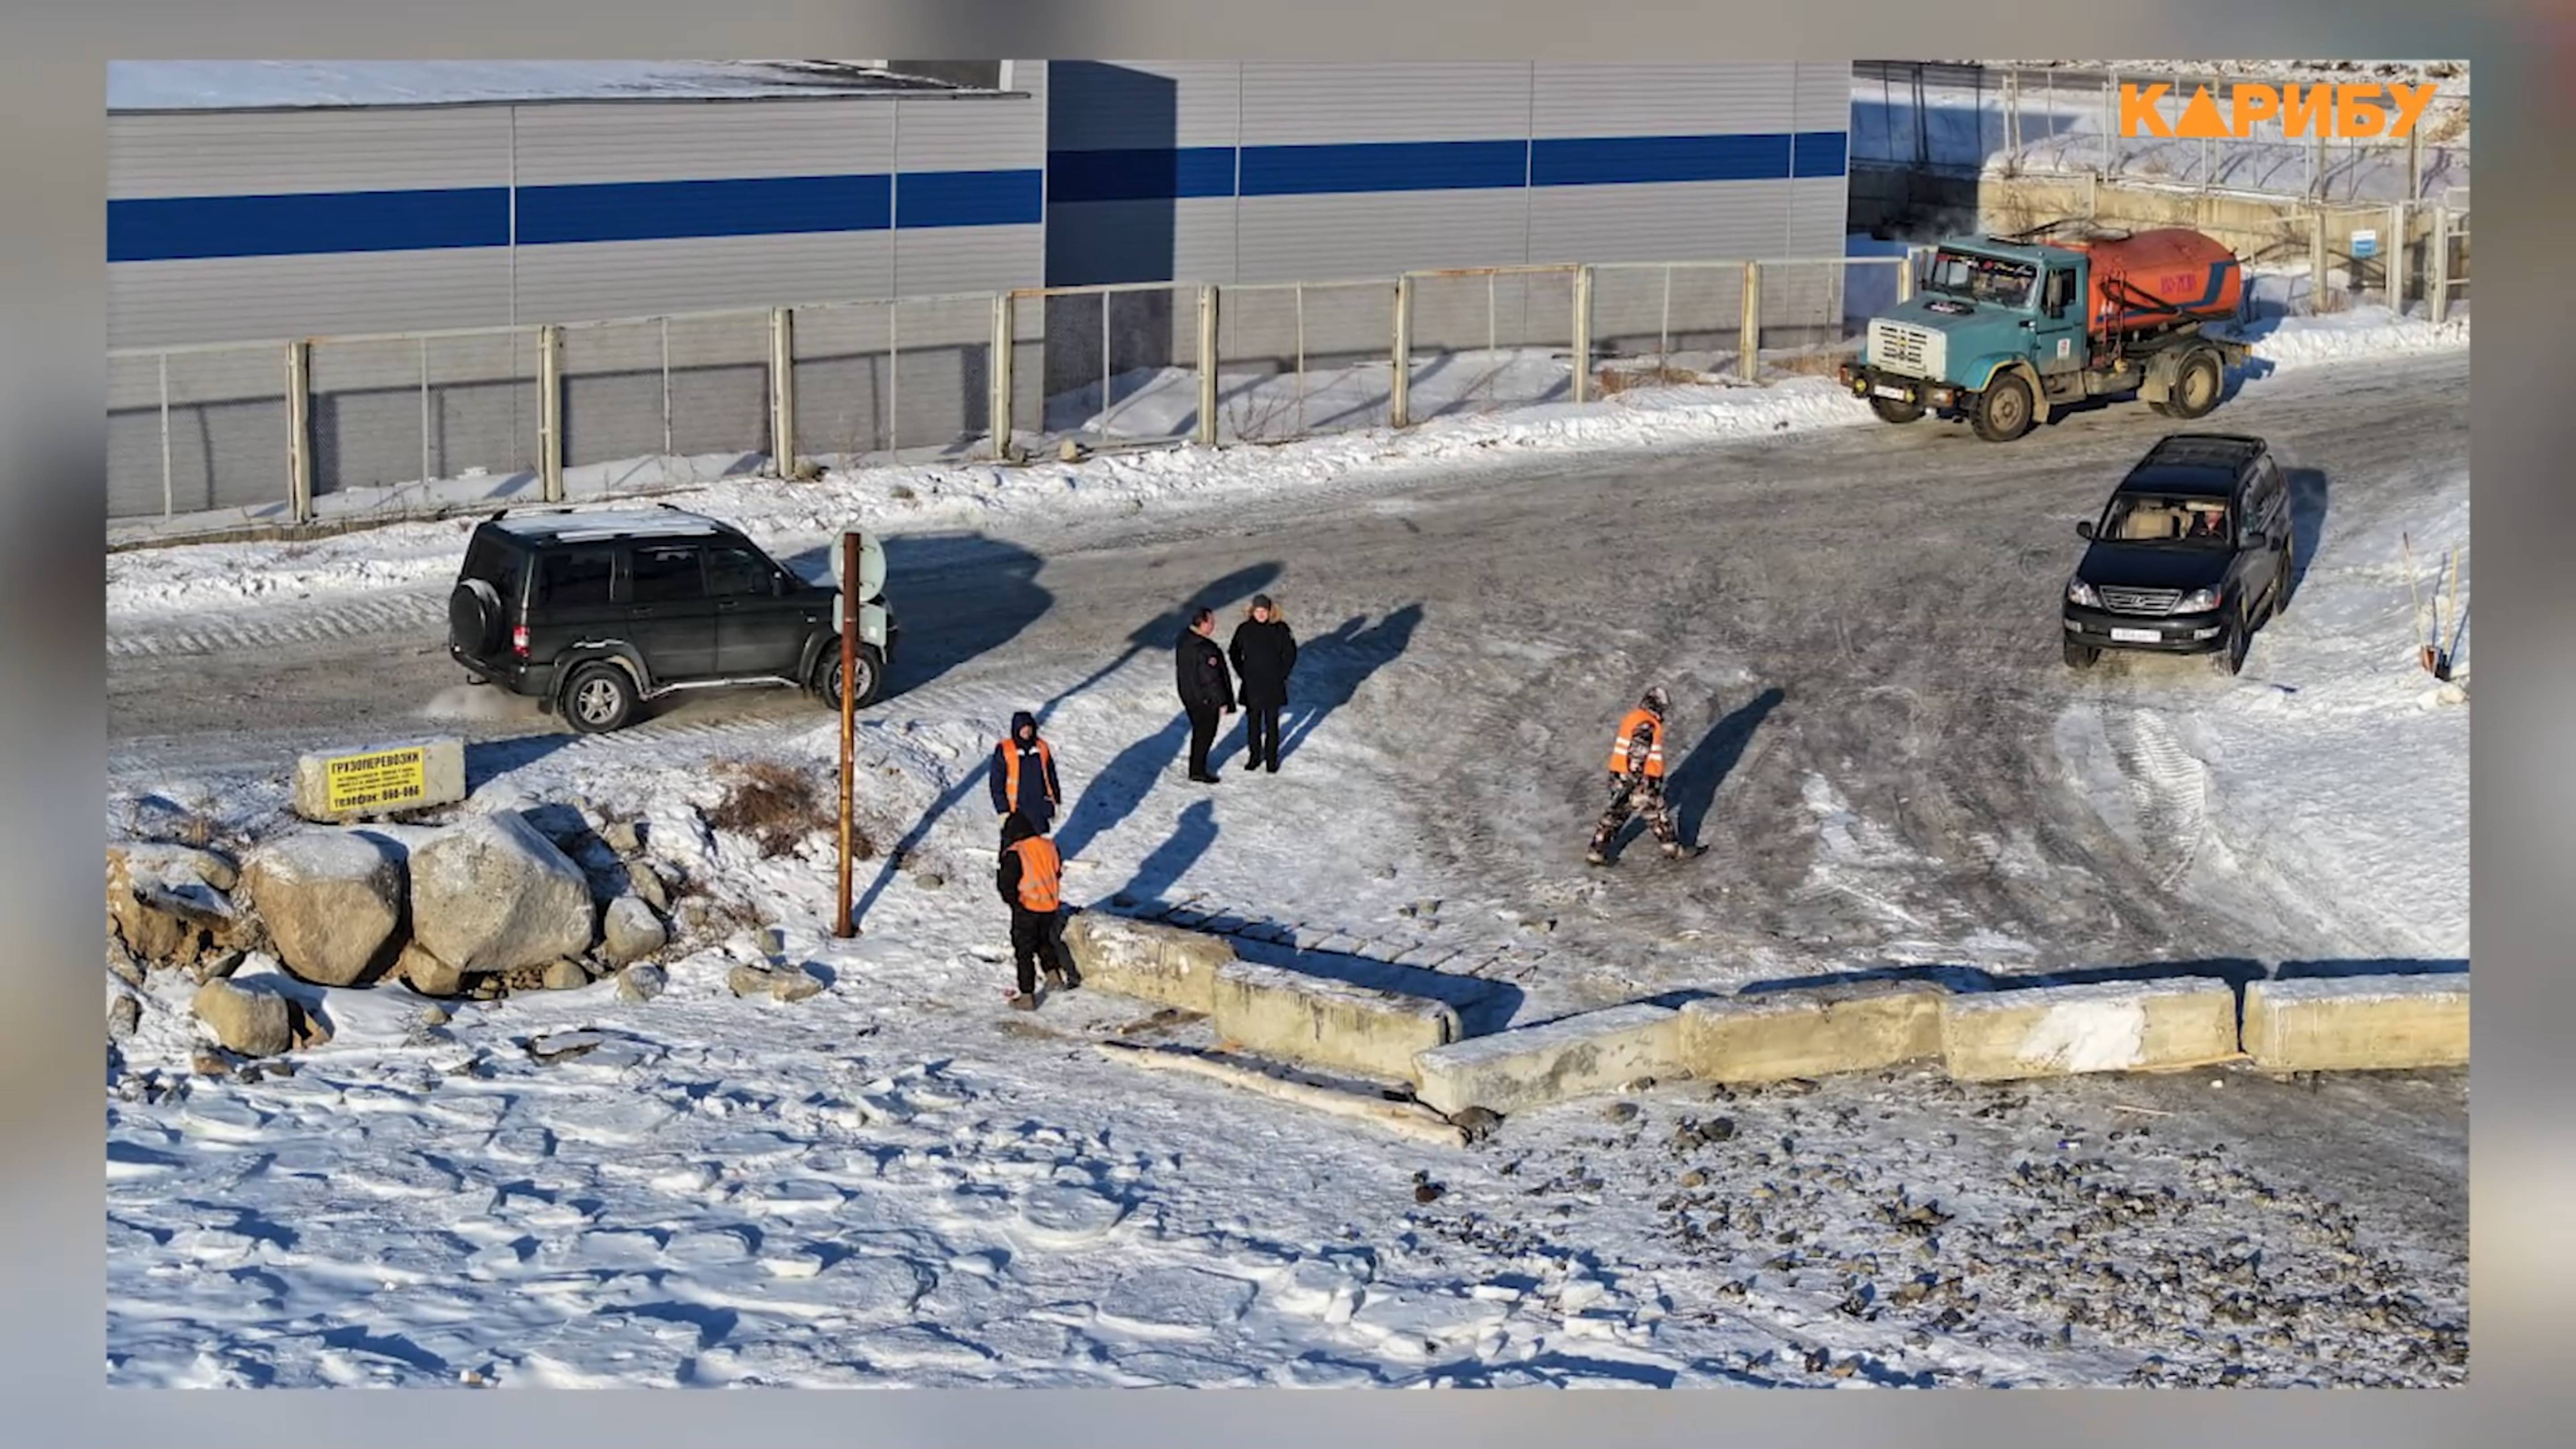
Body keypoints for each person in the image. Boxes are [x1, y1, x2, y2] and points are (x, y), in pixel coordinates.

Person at [1587, 685, 1703, 865]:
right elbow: (1638, 753)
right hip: (1641, 779)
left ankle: (1597, 851)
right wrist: (1636, 779)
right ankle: (1673, 849)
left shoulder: (1633, 717)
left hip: (1619, 774)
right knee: (1656, 813)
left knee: (1616, 814)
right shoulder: (1647, 723)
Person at [996, 812, 1078, 1008]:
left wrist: (1015, 904)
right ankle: (1054, 977)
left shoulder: (1016, 852)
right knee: (1045, 941)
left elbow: (1007, 885)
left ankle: (1027, 996)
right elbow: (1056, 872)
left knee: (1024, 952)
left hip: (1027, 907)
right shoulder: (1049, 847)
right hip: (1050, 905)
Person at [1227, 594, 1299, 775]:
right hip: (1252, 684)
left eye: (1264, 611)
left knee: (1272, 723)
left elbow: (1290, 653)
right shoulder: (1244, 629)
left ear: (1270, 611)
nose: (1261, 614)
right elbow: (1234, 651)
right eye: (1258, 611)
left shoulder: (1280, 629)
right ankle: (1255, 757)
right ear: (1253, 611)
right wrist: (1242, 672)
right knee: (1253, 723)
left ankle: (1272, 759)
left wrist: (1282, 674)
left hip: (1273, 684)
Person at [1174, 605, 1237, 784]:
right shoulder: (1206, 649)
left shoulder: (1184, 639)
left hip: (1188, 694)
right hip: (1205, 699)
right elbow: (1212, 680)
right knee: (1206, 734)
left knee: (1199, 732)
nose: (1213, 626)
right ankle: (1198, 770)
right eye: (1211, 622)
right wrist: (1222, 701)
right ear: (1202, 623)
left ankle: (1196, 767)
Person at [987, 710, 1062, 836]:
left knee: (1036, 841)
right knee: (1017, 843)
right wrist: (1002, 809)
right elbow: (997, 782)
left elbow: (1051, 776)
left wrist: (1056, 802)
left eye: (1029, 728)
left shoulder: (1042, 748)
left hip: (1038, 806)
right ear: (1016, 729)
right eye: (1023, 728)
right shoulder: (1005, 749)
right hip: (1016, 808)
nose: (1026, 732)